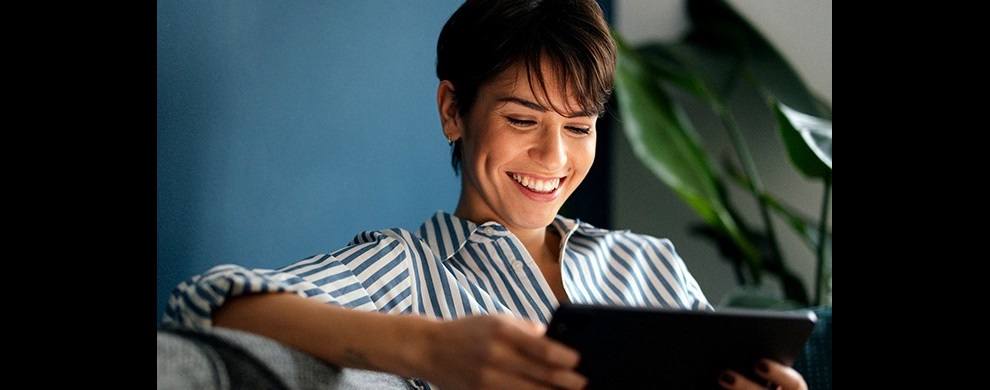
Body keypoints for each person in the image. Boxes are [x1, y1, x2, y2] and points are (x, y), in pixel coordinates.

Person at [162, 0, 809, 389]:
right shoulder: (405, 269)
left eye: (578, 128)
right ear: (453, 110)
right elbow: (206, 305)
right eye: (523, 120)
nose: (553, 158)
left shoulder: (650, 263)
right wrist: (429, 349)